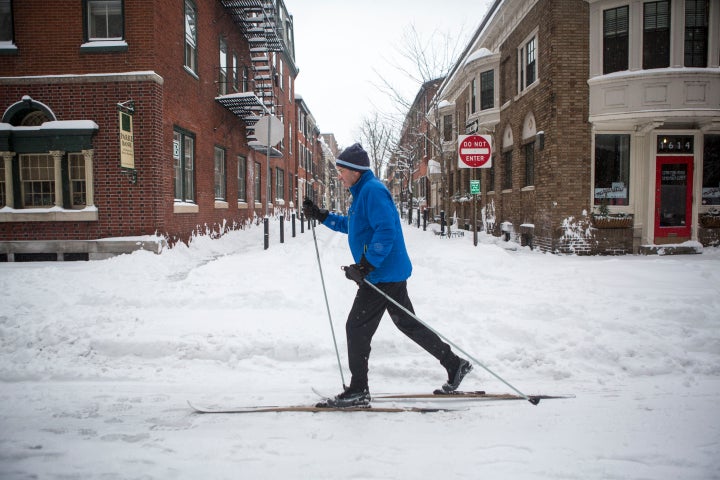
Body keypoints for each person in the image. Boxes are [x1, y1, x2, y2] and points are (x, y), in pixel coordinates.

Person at [303, 142, 472, 407]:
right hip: (384, 274)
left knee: (356, 328)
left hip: (382, 276)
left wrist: (367, 265)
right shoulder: (361, 193)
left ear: (356, 171)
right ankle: (455, 364)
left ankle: (359, 389)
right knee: (409, 324)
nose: (339, 175)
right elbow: (354, 225)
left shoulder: (373, 191)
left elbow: (386, 231)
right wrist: (323, 216)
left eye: (342, 170)